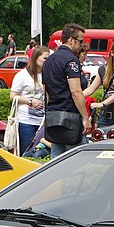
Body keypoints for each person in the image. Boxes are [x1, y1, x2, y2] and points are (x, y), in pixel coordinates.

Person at [43, 22, 91, 158]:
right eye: (80, 41)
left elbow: (46, 92)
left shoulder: (49, 61)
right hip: (70, 118)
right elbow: (76, 92)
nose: (82, 45)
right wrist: (85, 118)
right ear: (71, 40)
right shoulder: (71, 60)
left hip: (53, 117)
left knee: (56, 164)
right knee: (79, 162)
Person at [9, 45, 49, 156]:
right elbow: (13, 96)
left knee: (41, 153)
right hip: (27, 121)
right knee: (27, 153)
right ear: (36, 58)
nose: (47, 61)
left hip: (44, 120)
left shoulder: (48, 73)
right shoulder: (22, 75)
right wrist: (30, 101)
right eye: (45, 58)